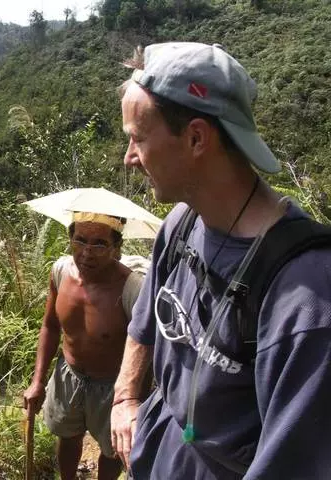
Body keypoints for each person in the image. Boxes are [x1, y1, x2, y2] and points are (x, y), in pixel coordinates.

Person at [110, 42, 331, 479]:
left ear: (196, 138)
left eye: (137, 137)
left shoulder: (306, 298)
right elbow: (145, 322)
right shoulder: (181, 222)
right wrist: (125, 399)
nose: (129, 157)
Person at [23, 211, 147, 480]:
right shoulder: (61, 272)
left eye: (100, 244)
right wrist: (38, 381)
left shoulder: (132, 289)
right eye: (80, 240)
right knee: (67, 437)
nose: (87, 252)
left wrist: (132, 398)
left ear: (116, 248)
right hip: (69, 375)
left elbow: (144, 345)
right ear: (70, 240)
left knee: (111, 450)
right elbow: (50, 326)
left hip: (112, 386)